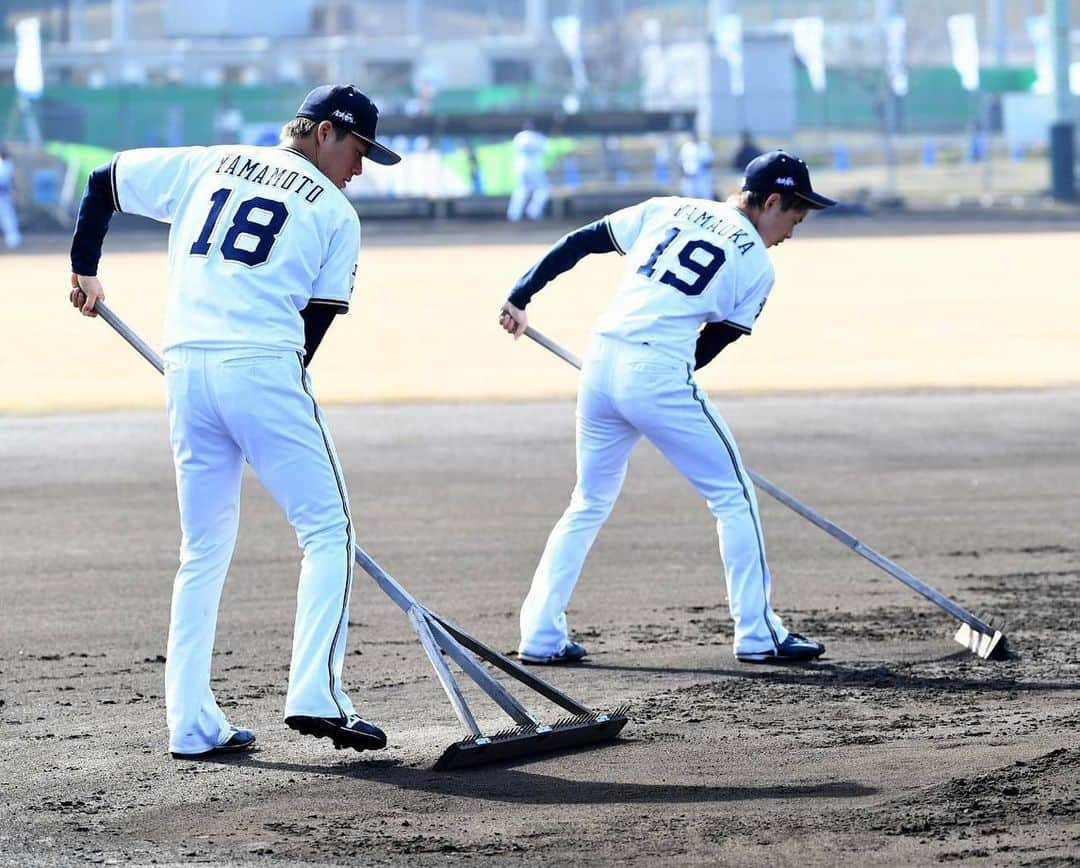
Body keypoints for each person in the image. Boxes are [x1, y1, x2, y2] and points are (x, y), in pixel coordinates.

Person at [68, 85, 401, 758]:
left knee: (203, 550)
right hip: (264, 367)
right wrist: (266, 409)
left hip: (186, 368)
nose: (359, 170)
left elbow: (103, 181)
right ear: (325, 133)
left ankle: (190, 723)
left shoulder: (207, 161)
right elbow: (312, 330)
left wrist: (85, 268)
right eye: (359, 151)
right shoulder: (335, 213)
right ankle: (318, 694)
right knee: (328, 530)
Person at [498, 150, 835, 666]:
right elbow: (712, 343)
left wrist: (522, 295)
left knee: (588, 500)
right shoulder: (757, 265)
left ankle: (541, 635)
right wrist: (657, 401)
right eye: (794, 216)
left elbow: (579, 242)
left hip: (601, 362)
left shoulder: (668, 208)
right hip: (656, 373)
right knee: (733, 494)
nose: (792, 230)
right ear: (771, 202)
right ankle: (758, 633)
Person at [507, 120, 550, 222]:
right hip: (534, 167)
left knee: (521, 190)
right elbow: (545, 150)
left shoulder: (519, 137)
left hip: (520, 167)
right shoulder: (539, 138)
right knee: (543, 189)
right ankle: (533, 212)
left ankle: (514, 215)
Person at [678, 133, 714, 199]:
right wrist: (684, 173)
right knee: (688, 197)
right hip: (688, 177)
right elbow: (681, 162)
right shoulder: (686, 147)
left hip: (702, 177)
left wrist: (701, 171)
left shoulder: (705, 146)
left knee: (705, 197)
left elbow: (709, 162)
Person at [0, 147, 22, 250]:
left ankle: (13, 240)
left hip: (4, 195)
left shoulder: (8, 164)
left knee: (9, 218)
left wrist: (14, 191)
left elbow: (12, 180)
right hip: (4, 194)